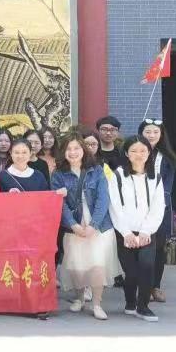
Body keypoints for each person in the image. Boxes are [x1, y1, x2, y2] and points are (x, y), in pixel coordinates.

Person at [51, 134, 119, 320]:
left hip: (99, 227)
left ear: (84, 150)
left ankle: (96, 304)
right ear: (63, 152)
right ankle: (80, 298)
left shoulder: (97, 171)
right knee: (77, 266)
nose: (73, 152)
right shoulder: (58, 174)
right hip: (73, 226)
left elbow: (103, 199)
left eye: (76, 148)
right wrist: (73, 225)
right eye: (68, 149)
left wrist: (93, 225)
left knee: (97, 265)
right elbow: (60, 203)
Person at [108, 135, 165, 322]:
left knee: (147, 267)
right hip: (124, 233)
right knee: (131, 272)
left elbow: (158, 207)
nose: (138, 154)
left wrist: (146, 231)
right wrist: (126, 233)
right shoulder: (118, 176)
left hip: (147, 232)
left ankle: (143, 307)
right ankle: (130, 302)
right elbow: (114, 206)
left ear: (149, 153)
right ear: (126, 153)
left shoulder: (155, 177)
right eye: (133, 151)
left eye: (143, 151)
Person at [139, 119, 176, 303]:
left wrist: (158, 204)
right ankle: (143, 287)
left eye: (155, 132)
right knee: (142, 249)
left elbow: (168, 186)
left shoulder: (167, 158)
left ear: (161, 135)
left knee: (159, 249)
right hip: (138, 209)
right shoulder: (134, 153)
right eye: (148, 132)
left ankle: (155, 286)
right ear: (141, 133)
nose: (151, 135)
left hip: (161, 208)